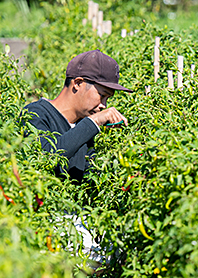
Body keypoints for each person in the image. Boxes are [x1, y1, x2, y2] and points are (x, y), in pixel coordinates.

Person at [22, 49, 133, 182]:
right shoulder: (34, 114)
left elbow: (90, 173)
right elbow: (44, 159)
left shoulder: (82, 127)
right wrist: (93, 122)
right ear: (78, 83)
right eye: (102, 95)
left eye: (107, 99)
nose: (104, 105)